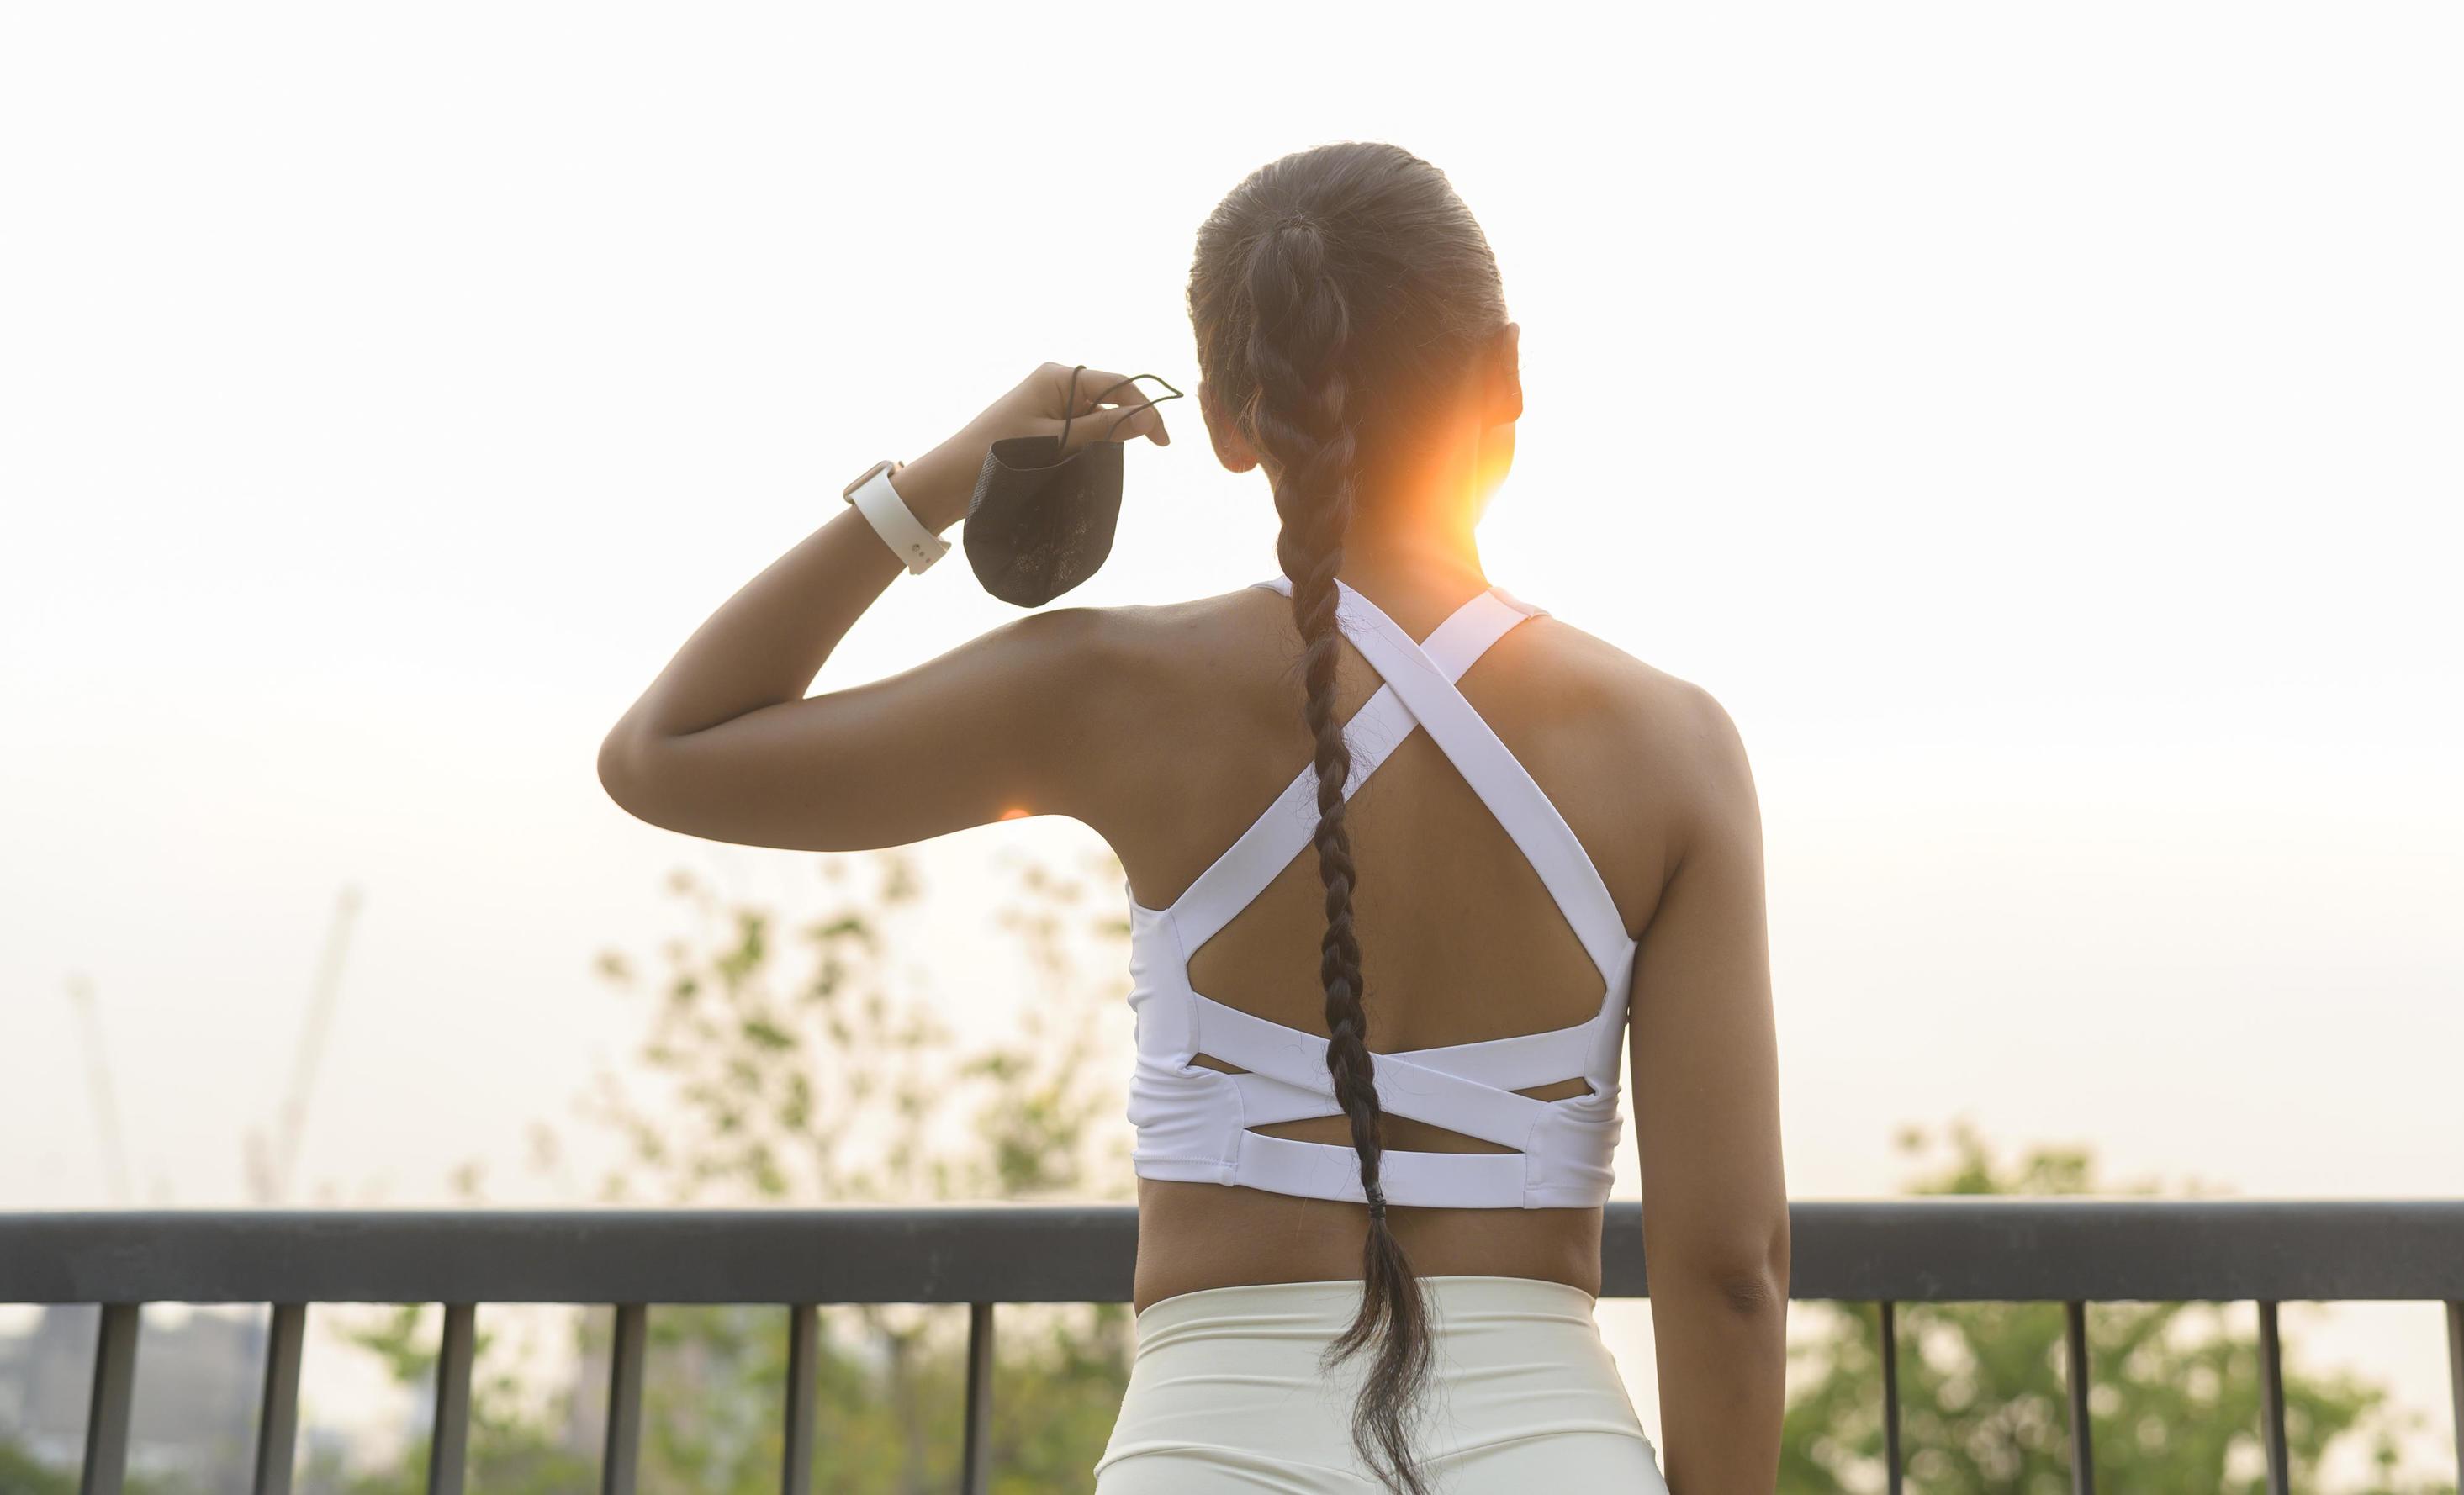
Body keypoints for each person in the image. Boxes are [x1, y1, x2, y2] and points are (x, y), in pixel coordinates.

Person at [599, 141, 1789, 1493]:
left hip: (1210, 1453)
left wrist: (943, 481)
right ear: (1505, 372)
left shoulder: (1106, 688)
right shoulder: (1667, 746)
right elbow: (1729, 1272)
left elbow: (669, 752)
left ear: (1227, 422)